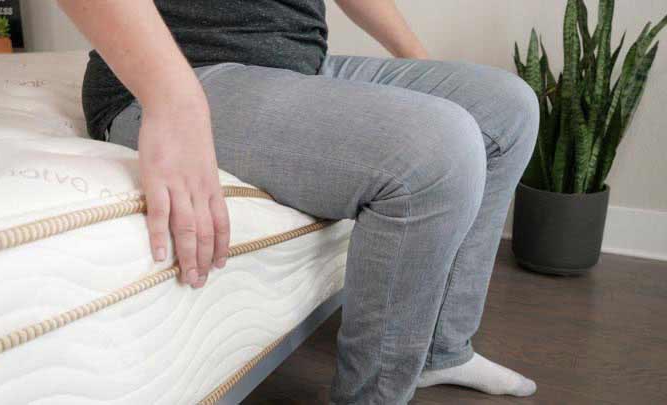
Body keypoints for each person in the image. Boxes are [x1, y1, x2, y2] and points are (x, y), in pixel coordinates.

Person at [59, 1, 539, 403]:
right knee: (438, 149)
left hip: (297, 65)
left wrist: (420, 67)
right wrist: (172, 103)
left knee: (507, 108)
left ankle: (441, 349)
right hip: (181, 77)